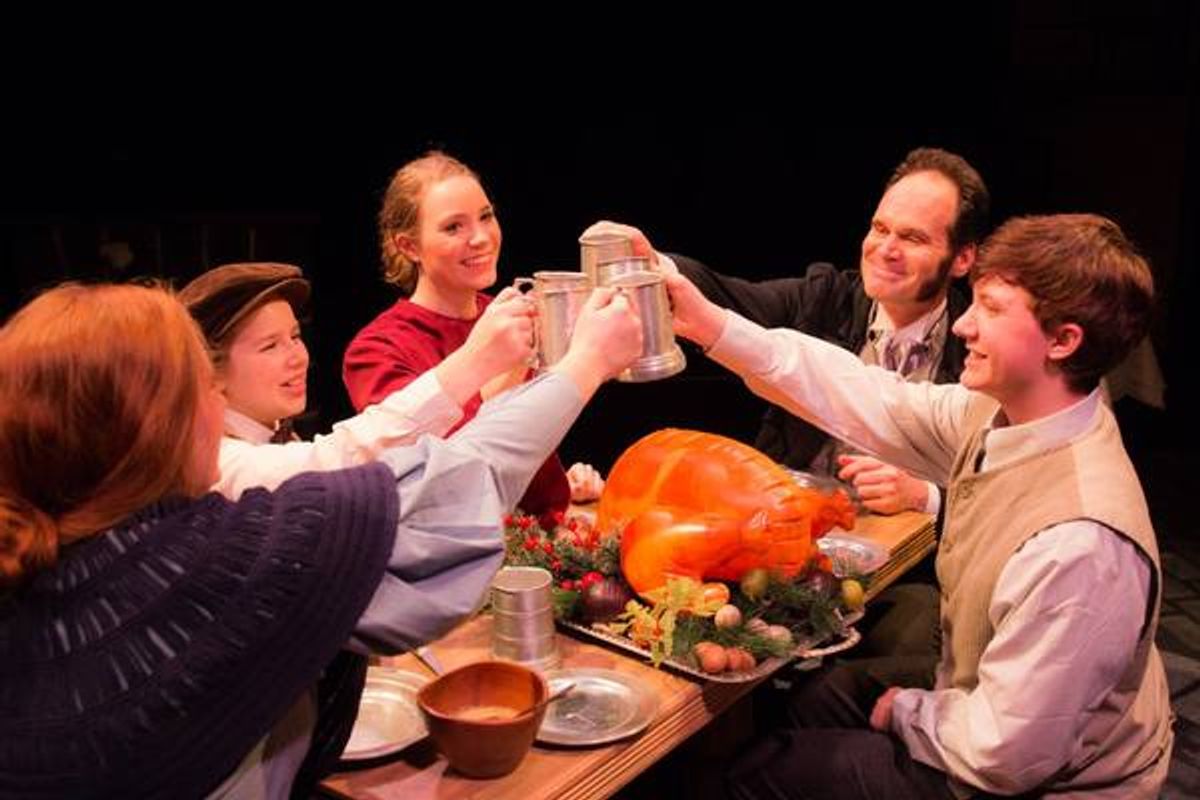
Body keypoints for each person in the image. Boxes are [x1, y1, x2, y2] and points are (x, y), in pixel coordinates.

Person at [0, 281, 641, 798]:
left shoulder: (48, 569)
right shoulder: (210, 568)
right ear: (151, 426)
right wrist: (585, 365)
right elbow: (446, 492)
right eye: (199, 386)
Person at [666, 213, 1172, 798]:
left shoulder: (1081, 546)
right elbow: (865, 395)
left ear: (1063, 341)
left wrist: (907, 713)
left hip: (1041, 780)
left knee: (764, 775)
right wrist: (708, 324)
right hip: (990, 700)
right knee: (812, 700)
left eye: (992, 308)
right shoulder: (1003, 413)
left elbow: (1008, 755)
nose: (964, 325)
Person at [587, 147, 990, 518]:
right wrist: (657, 265)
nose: (886, 249)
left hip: (906, 554)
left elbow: (998, 492)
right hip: (786, 527)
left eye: (913, 237)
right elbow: (728, 297)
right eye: (880, 228)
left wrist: (925, 495)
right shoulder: (823, 297)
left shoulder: (979, 346)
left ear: (963, 258)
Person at [343, 151, 601, 521]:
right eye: (453, 227)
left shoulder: (508, 315)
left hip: (546, 534)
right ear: (409, 246)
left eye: (486, 216)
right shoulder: (376, 350)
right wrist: (503, 371)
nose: (480, 238)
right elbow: (434, 477)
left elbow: (529, 447)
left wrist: (562, 483)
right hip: (459, 555)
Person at [178, 261, 536, 500]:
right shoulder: (218, 461)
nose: (297, 357)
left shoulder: (277, 432)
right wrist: (473, 361)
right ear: (213, 373)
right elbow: (340, 459)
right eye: (270, 345)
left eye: (295, 336)